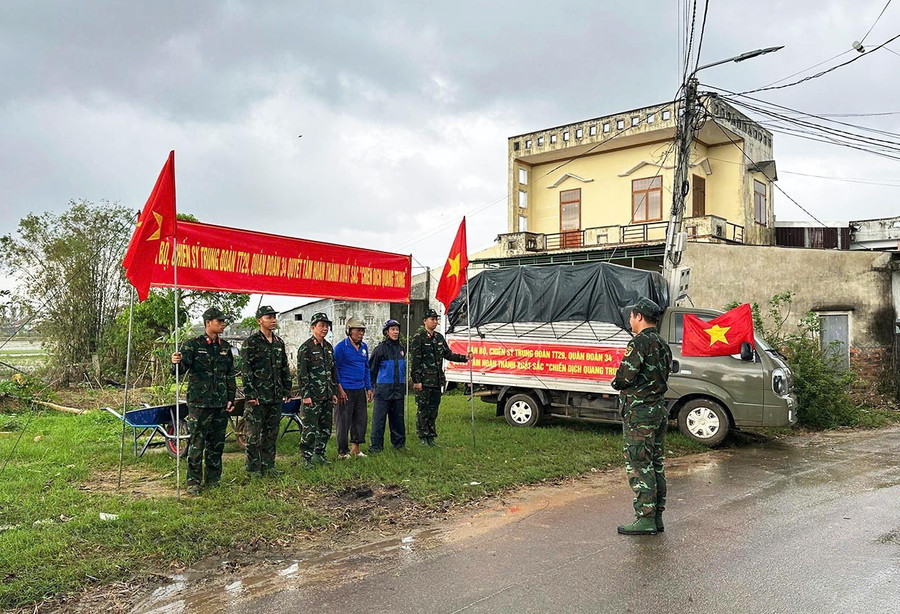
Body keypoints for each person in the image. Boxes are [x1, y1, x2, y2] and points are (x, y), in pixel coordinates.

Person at [611, 297, 673, 536]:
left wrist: (616, 380)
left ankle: (644, 518)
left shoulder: (639, 344)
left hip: (639, 415)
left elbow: (624, 377)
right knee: (656, 463)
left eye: (631, 316)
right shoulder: (662, 344)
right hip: (658, 411)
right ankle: (656, 516)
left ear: (638, 316)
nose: (630, 320)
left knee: (639, 465)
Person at [171, 307, 236, 496]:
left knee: (216, 444)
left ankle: (214, 479)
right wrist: (176, 362)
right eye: (219, 321)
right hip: (199, 404)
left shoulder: (225, 347)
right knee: (197, 443)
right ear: (208, 323)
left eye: (223, 321)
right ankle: (193, 482)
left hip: (220, 404)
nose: (223, 324)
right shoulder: (193, 345)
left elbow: (230, 375)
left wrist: (231, 398)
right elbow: (180, 369)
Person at [240, 305, 292, 478]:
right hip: (258, 398)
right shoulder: (251, 342)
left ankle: (269, 466)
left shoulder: (278, 342)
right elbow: (246, 370)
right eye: (269, 317)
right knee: (253, 435)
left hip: (275, 396)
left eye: (274, 317)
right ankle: (253, 468)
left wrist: (286, 389)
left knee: (271, 433)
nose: (273, 320)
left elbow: (284, 368)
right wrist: (251, 394)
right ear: (259, 320)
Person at [409, 308, 472, 446]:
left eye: (436, 319)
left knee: (433, 410)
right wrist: (417, 381)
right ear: (425, 321)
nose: (435, 322)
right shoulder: (419, 338)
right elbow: (415, 362)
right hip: (424, 381)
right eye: (432, 319)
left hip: (436, 381)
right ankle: (422, 436)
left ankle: (431, 436)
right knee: (423, 409)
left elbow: (448, 354)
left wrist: (464, 358)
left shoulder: (439, 338)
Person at [296, 312, 339, 468]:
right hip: (312, 397)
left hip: (327, 396)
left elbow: (333, 372)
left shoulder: (328, 347)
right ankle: (306, 458)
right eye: (321, 325)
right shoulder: (306, 348)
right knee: (310, 429)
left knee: (326, 428)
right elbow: (302, 375)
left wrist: (333, 392)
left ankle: (319, 454)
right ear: (313, 327)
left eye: (327, 326)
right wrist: (306, 395)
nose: (325, 328)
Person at [334, 317, 373, 459]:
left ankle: (355, 448)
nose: (361, 333)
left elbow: (366, 368)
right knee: (343, 421)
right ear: (349, 331)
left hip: (359, 388)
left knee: (360, 419)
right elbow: (335, 369)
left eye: (362, 330)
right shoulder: (341, 347)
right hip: (345, 389)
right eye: (358, 330)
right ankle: (342, 452)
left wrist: (368, 387)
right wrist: (339, 389)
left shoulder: (364, 348)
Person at [368, 319, 406, 452]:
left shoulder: (401, 349)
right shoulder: (380, 349)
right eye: (392, 329)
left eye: (397, 329)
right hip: (383, 391)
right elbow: (371, 370)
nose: (395, 332)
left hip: (398, 390)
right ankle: (376, 447)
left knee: (398, 419)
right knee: (379, 421)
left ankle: (399, 445)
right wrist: (371, 387)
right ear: (386, 332)